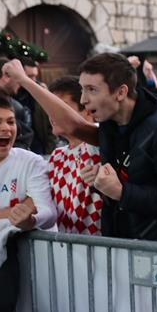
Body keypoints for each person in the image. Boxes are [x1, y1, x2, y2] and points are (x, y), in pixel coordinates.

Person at [2, 55, 157, 244]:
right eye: (82, 89)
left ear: (120, 92)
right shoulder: (112, 126)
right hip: (129, 248)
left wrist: (121, 191)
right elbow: (71, 125)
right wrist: (102, 184)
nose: (83, 99)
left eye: (92, 89)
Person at [0, 90, 56, 312]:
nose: (7, 128)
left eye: (11, 121)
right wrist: (11, 211)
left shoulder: (30, 162)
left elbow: (47, 210)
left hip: (34, 279)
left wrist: (30, 218)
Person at [46, 76, 103, 235]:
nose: (52, 114)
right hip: (67, 253)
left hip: (103, 251)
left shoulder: (100, 140)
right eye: (50, 107)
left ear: (86, 108)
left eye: (60, 107)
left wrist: (24, 80)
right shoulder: (56, 156)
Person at [0, 58, 34, 150]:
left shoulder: (20, 101)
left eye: (11, 122)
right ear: (6, 76)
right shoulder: (16, 107)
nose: (20, 84)